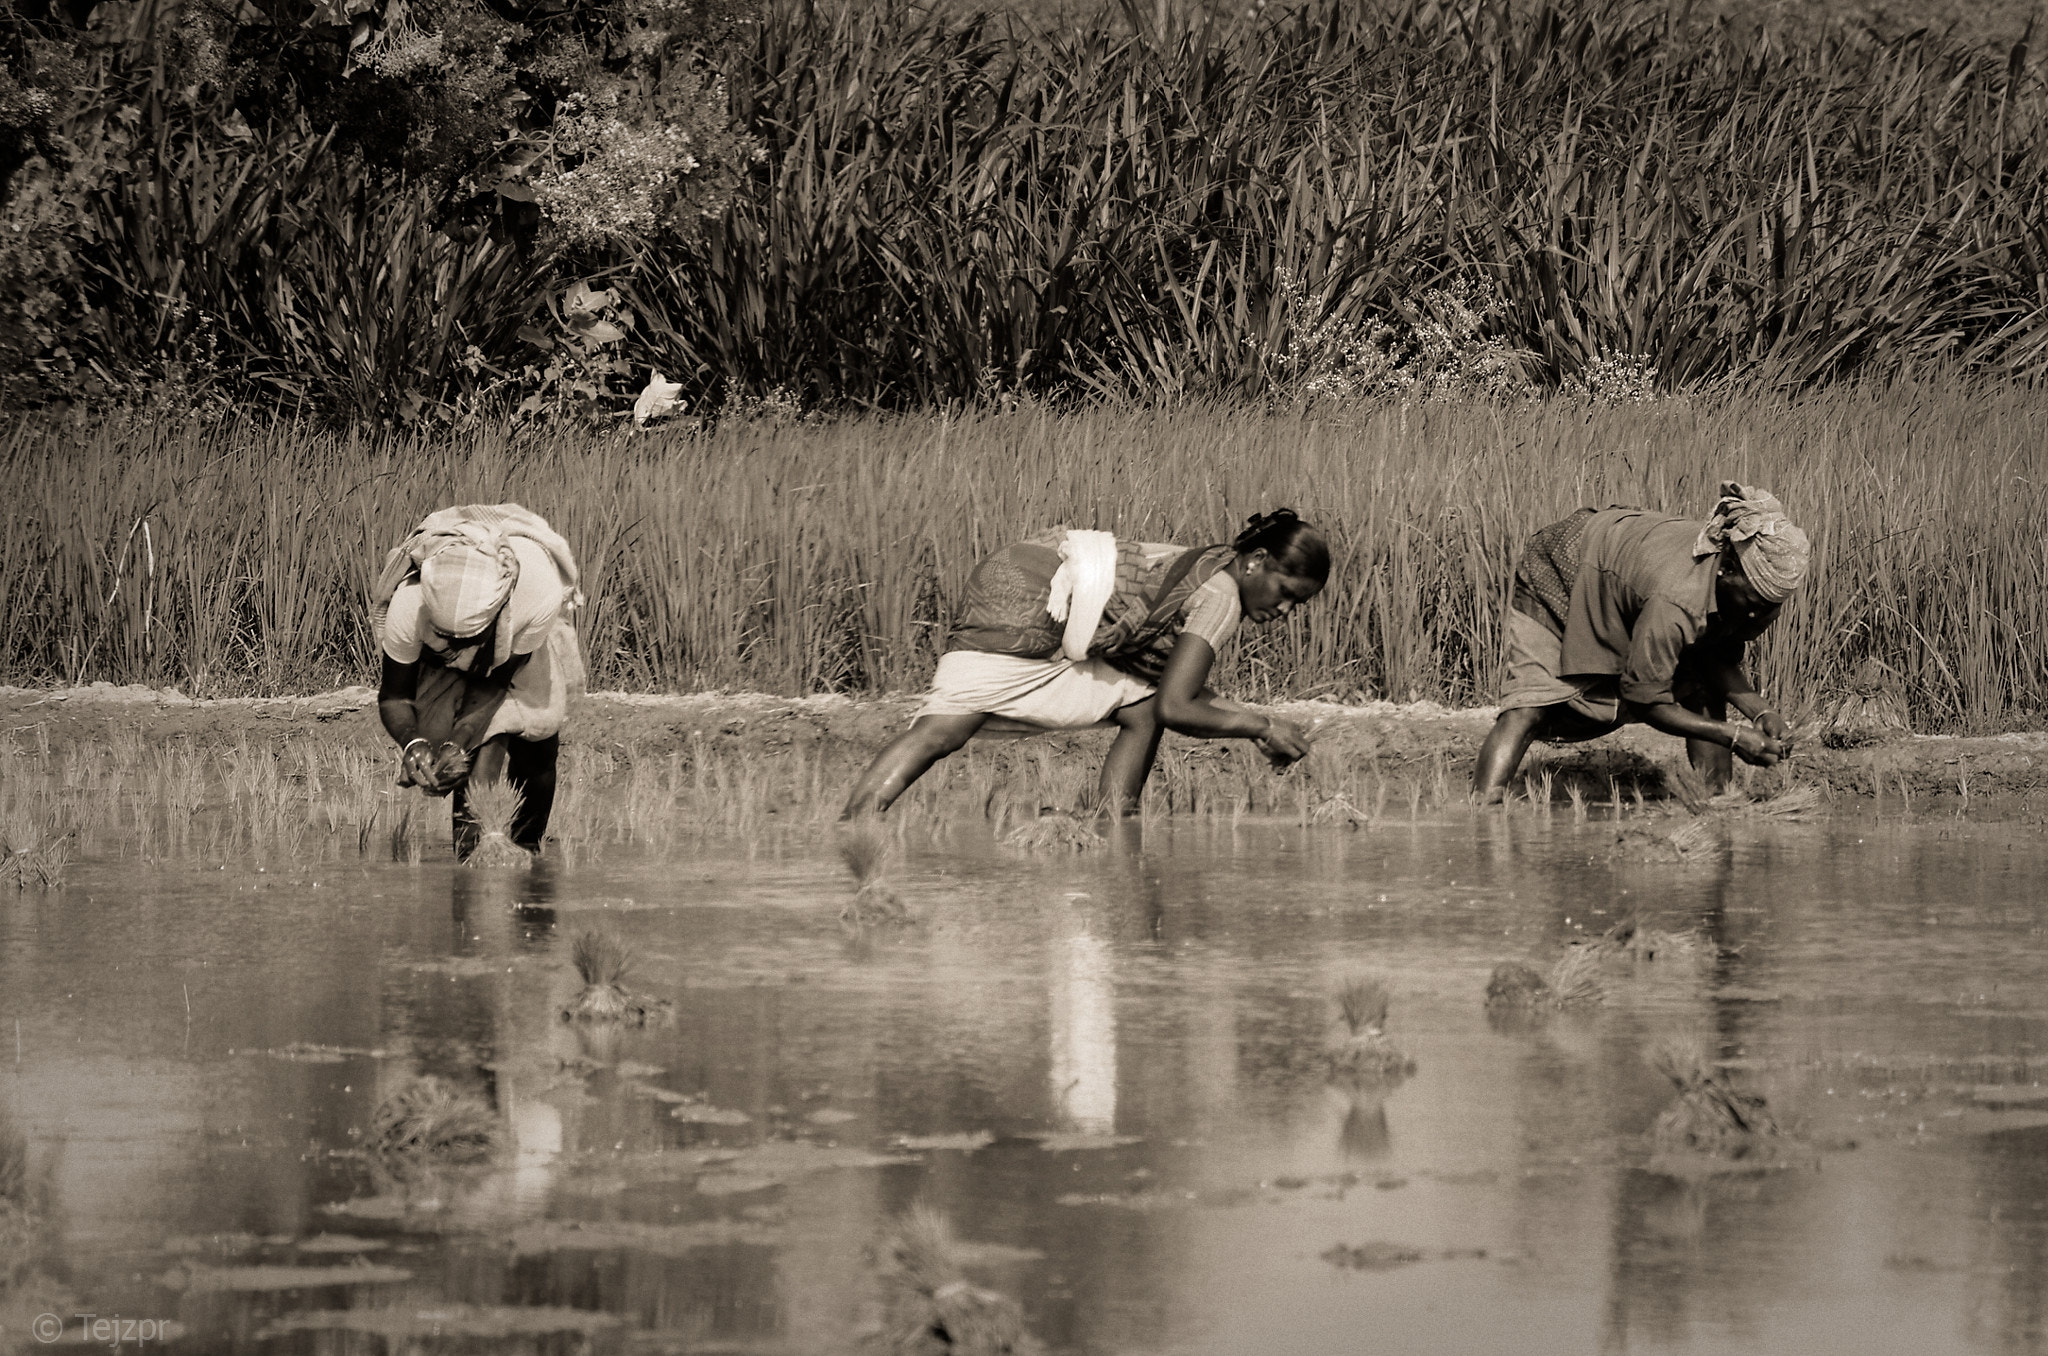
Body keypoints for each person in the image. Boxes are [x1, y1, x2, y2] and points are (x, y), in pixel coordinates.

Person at [841, 509, 1332, 819]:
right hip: (1036, 591)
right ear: (1256, 561)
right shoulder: (1222, 596)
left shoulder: (1210, 566)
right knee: (948, 726)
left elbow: (1158, 694)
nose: (1285, 610)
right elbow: (1178, 708)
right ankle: (1113, 823)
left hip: (1019, 568)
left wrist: (1258, 724)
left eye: (1299, 605)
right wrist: (1262, 726)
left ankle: (1113, 823)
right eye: (1287, 593)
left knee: (1136, 708)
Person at [1471, 482, 1811, 804]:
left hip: (1625, 572)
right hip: (1565, 565)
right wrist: (1733, 736)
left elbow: (1713, 658)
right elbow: (1646, 698)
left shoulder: (1733, 593)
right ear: (1728, 571)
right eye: (1754, 603)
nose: (1759, 617)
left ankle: (1718, 801)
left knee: (1702, 687)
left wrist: (1761, 712)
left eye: (1772, 608)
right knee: (1529, 705)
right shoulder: (1677, 599)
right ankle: (1484, 812)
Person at [371, 503, 585, 857]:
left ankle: (528, 849)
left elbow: (495, 682)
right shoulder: (410, 605)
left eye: (465, 642)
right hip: (437, 652)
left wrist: (459, 740)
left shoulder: (535, 594)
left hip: (513, 645)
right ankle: (469, 859)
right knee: (472, 760)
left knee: (538, 746)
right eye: (448, 639)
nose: (458, 652)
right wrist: (413, 743)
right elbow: (394, 696)